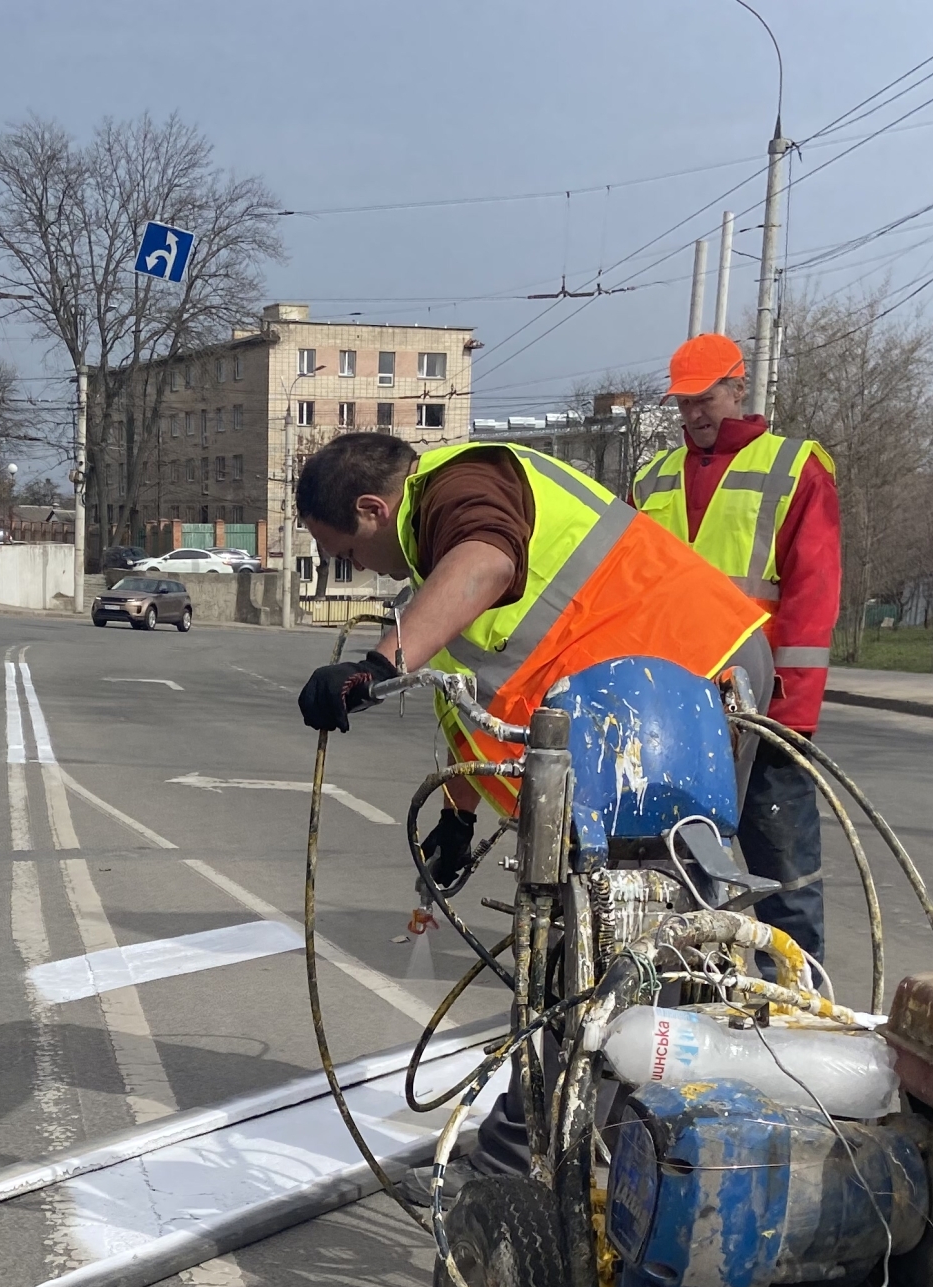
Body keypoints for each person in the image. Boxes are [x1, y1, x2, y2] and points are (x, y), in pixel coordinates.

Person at [292, 432, 775, 1171]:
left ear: (371, 507)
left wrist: (377, 667)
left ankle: (582, 1151)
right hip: (628, 724)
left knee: (629, 937)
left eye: (347, 550)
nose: (355, 569)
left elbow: (486, 562)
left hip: (681, 689)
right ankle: (573, 1145)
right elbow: (467, 701)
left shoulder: (461, 487)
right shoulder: (433, 571)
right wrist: (457, 817)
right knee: (596, 935)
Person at [628, 333, 842, 962]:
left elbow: (812, 592)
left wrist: (794, 715)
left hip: (762, 710)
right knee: (680, 877)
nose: (694, 413)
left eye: (705, 397)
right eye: (683, 403)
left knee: (784, 877)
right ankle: (693, 999)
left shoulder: (794, 467)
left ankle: (793, 1005)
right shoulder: (654, 478)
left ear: (738, 386)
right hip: (678, 711)